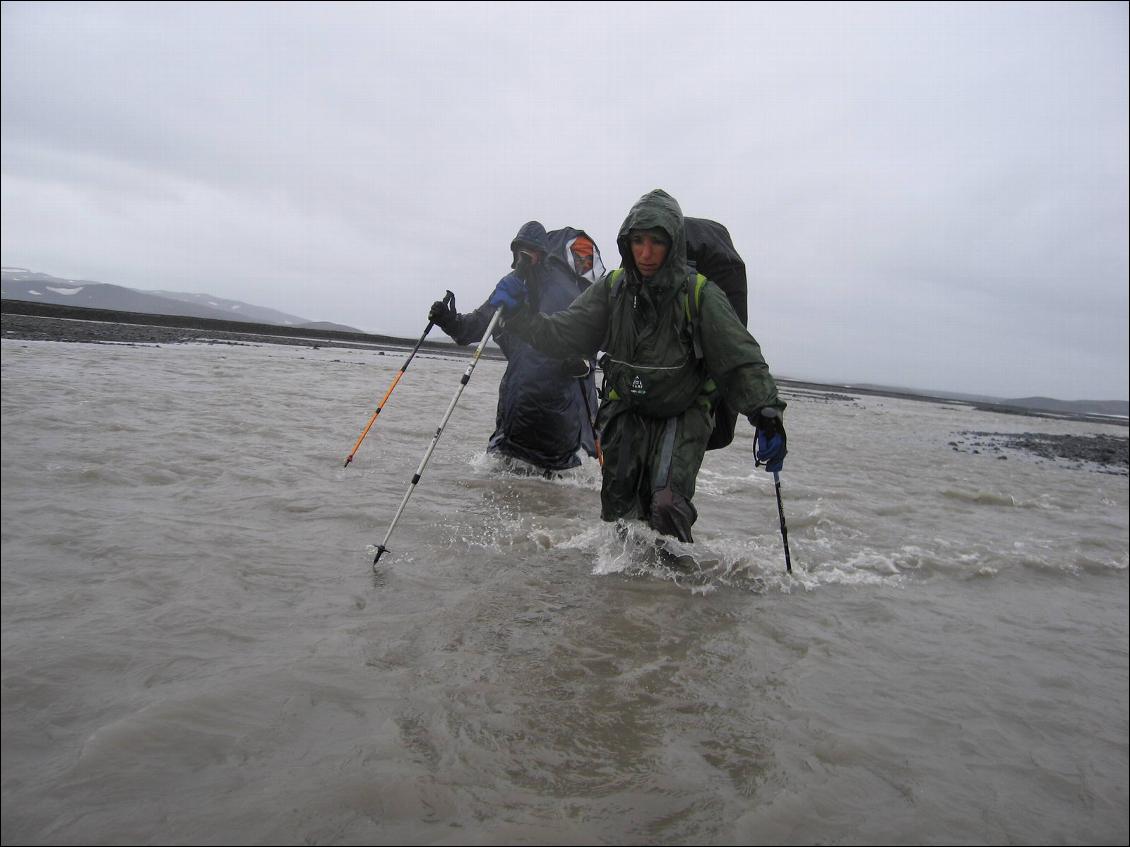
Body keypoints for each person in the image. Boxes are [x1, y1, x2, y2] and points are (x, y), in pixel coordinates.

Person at [487, 189, 787, 543]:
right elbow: (562, 334)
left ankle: (676, 583)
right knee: (620, 518)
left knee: (666, 506)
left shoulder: (700, 295)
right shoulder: (612, 289)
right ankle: (632, 594)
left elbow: (741, 359)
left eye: (657, 243)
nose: (646, 253)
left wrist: (766, 414)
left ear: (673, 244)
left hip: (682, 410)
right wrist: (521, 317)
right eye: (638, 242)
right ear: (626, 243)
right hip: (626, 408)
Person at [428, 221, 602, 473]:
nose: (523, 257)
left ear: (542, 253)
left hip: (559, 427)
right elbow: (470, 329)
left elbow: (586, 340)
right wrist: (448, 320)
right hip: (513, 422)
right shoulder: (510, 289)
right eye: (519, 250)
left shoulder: (564, 292)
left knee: (550, 495)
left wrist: (576, 358)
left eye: (529, 250)